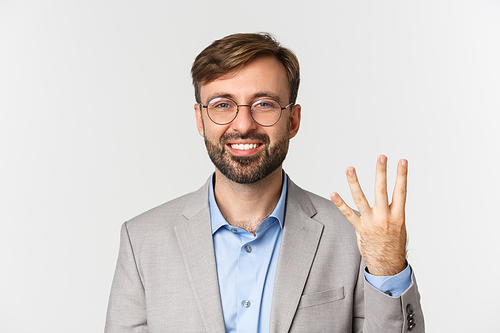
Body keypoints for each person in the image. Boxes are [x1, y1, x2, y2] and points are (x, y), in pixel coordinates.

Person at [105, 33, 424, 333]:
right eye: (222, 105)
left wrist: (388, 266)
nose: (243, 125)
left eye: (264, 104)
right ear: (200, 120)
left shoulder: (353, 238)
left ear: (293, 120)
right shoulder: (142, 241)